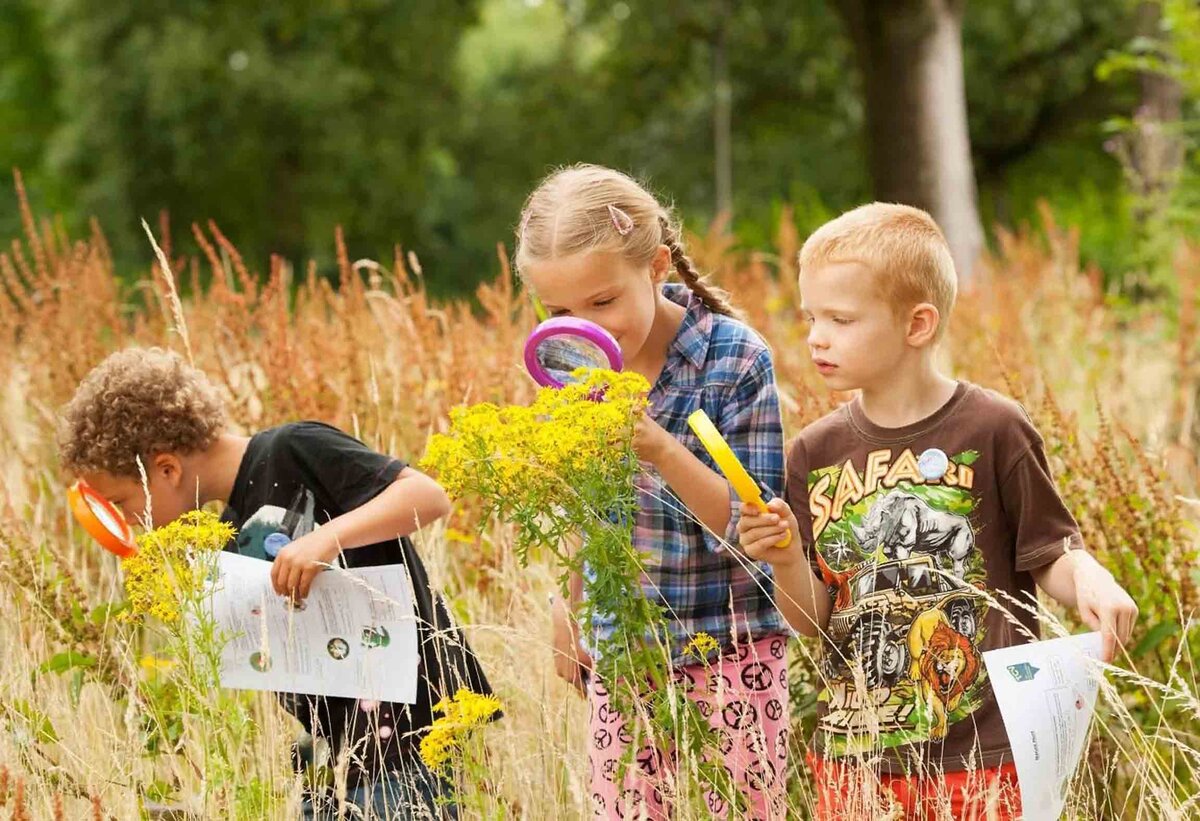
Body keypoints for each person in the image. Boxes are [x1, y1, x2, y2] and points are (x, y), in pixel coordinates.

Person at [736, 203, 1138, 819]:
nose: (816, 336)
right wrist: (787, 557)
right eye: (811, 316)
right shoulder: (813, 452)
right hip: (857, 759)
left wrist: (1090, 575)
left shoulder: (994, 428)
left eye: (841, 319)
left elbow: (1050, 552)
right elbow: (812, 621)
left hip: (987, 753)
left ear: (917, 324)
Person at [59, 347, 494, 820]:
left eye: (121, 503)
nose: (130, 522)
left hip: (415, 738)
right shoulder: (226, 532)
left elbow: (426, 497)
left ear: (167, 468)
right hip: (337, 756)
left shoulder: (293, 448)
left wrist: (327, 538)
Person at [516, 164, 791, 819]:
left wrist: (661, 449)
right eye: (558, 311)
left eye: (603, 302)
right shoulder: (564, 366)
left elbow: (751, 529)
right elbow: (583, 496)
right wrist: (568, 600)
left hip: (731, 648)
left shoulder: (735, 361)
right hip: (625, 656)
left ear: (657, 266)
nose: (588, 329)